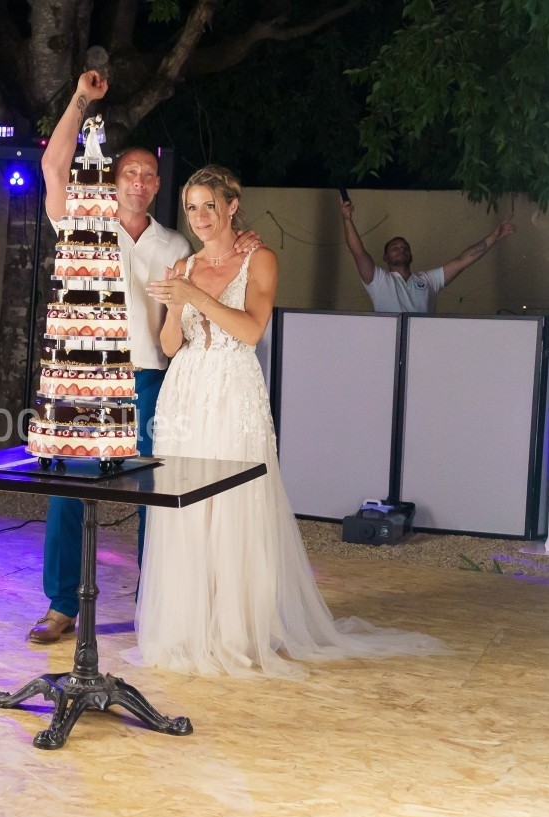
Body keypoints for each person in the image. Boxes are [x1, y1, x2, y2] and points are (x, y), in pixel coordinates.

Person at [132, 166, 446, 677]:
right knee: (184, 511)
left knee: (233, 506)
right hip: (185, 394)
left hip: (234, 391)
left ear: (232, 206)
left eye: (209, 205)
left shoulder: (261, 259)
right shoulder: (184, 266)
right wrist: (173, 304)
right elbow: (170, 347)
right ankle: (187, 628)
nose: (200, 217)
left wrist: (197, 299)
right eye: (191, 207)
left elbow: (251, 329)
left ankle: (235, 631)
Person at [29, 72, 258, 643]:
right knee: (69, 491)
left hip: (154, 379)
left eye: (149, 174)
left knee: (156, 496)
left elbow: (219, 257)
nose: (138, 181)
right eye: (129, 171)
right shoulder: (82, 218)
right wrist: (82, 100)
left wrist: (245, 241)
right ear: (113, 177)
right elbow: (54, 167)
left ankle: (157, 604)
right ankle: (62, 605)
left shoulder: (175, 246)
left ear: (158, 186)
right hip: (85, 381)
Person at [340, 197, 516, 313]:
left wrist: (494, 237)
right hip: (388, 349)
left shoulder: (428, 280)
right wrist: (347, 218)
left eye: (404, 246)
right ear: (385, 258)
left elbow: (463, 260)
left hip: (423, 348)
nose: (401, 249)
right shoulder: (378, 280)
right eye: (394, 247)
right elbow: (358, 251)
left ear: (411, 255)